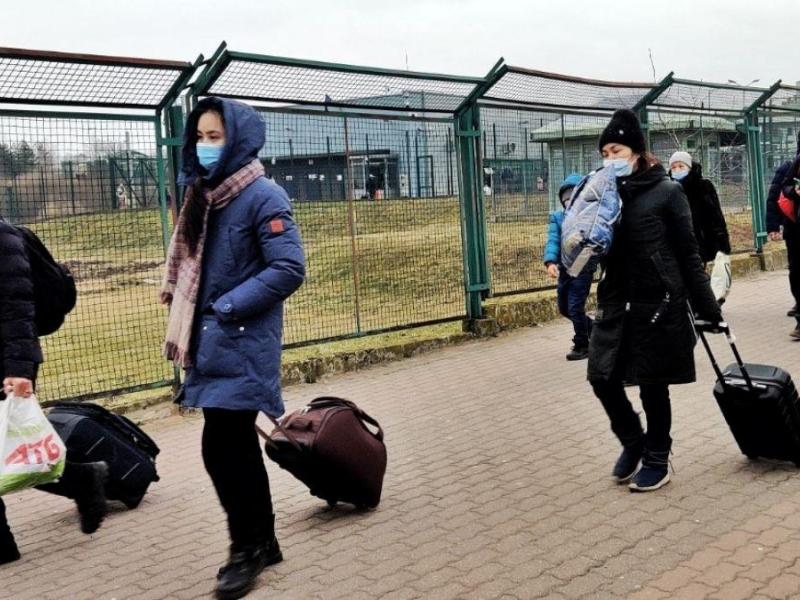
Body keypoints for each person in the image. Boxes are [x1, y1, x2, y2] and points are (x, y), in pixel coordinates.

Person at [161, 97, 305, 600]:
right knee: (232, 446)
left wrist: (226, 306)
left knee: (224, 448)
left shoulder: (263, 196)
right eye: (199, 137)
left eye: (215, 137)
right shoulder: (204, 196)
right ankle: (261, 541)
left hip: (240, 339)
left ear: (238, 140)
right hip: (211, 341)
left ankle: (247, 549)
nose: (205, 146)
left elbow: (288, 267)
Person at [588, 109, 722, 493]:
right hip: (616, 299)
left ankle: (658, 458)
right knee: (601, 376)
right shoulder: (605, 194)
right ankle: (634, 441)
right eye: (605, 153)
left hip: (658, 301)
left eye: (616, 150)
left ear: (635, 151)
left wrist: (709, 309)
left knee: (652, 383)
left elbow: (689, 254)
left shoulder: (667, 192)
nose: (610, 159)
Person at [1, 220, 108, 566]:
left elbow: (16, 305)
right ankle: (81, 480)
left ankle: (81, 480)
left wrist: (18, 370)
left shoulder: (2, 236)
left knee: (14, 449)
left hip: (8, 362)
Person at [543, 173, 596, 360]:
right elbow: (553, 241)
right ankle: (594, 329)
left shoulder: (590, 218)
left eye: (572, 198)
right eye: (565, 199)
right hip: (564, 270)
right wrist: (550, 262)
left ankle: (582, 344)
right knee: (564, 308)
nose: (568, 202)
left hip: (582, 268)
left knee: (575, 307)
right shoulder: (558, 218)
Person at [668, 151, 731, 265]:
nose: (677, 170)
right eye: (673, 167)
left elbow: (716, 217)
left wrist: (723, 246)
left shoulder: (703, 186)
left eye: (681, 166)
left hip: (702, 244)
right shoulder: (667, 190)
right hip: (676, 247)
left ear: (689, 168)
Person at [765, 132, 800, 338]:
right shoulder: (790, 167)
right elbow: (775, 196)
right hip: (794, 229)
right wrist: (772, 226)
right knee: (796, 271)